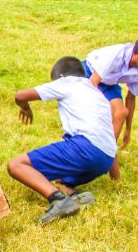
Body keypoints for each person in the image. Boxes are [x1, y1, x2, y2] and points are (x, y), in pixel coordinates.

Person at [7, 57, 117, 224]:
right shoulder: (98, 94)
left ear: (61, 76)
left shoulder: (67, 83)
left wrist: (25, 107)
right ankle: (73, 195)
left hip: (85, 148)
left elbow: (20, 95)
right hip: (105, 159)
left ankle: (58, 200)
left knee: (17, 165)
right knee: (49, 177)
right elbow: (109, 137)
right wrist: (115, 177)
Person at [83, 32, 138, 178]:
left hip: (110, 82)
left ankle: (106, 151)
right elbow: (92, 84)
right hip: (89, 74)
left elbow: (131, 99)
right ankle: (105, 153)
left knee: (121, 112)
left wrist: (128, 129)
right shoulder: (115, 55)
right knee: (107, 115)